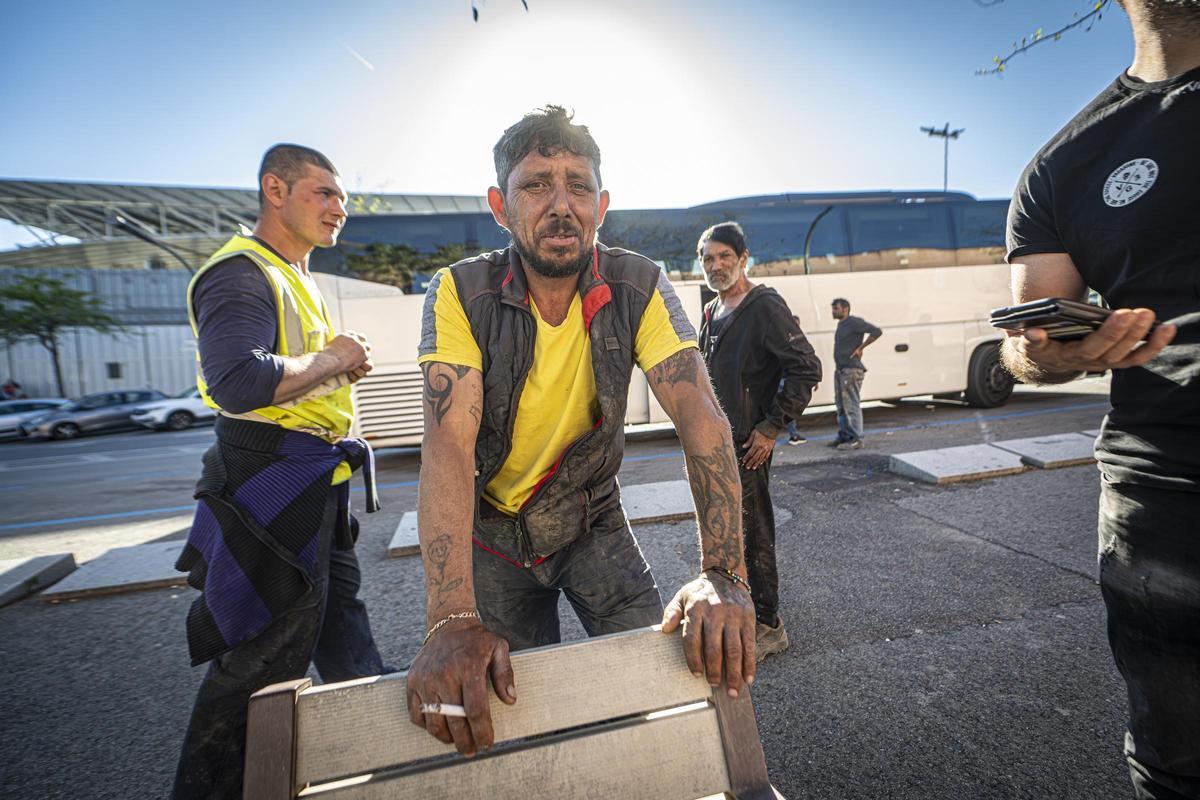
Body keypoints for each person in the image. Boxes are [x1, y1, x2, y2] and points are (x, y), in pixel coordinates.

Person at [407, 106, 756, 758]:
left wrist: (723, 573)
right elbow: (449, 446)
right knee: (511, 716)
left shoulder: (639, 285)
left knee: (664, 688)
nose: (560, 203)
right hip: (494, 540)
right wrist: (450, 617)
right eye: (536, 184)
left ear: (603, 204)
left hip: (594, 521)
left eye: (578, 184)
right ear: (499, 205)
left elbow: (702, 420)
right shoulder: (459, 292)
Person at [1000, 2, 1198, 796]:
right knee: (1176, 764)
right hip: (1161, 500)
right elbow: (1023, 342)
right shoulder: (1063, 163)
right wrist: (1049, 351)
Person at [172, 144, 387, 799]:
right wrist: (335, 358)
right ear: (275, 188)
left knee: (341, 633)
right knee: (263, 657)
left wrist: (334, 373)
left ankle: (381, 758)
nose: (338, 208)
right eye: (323, 192)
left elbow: (296, 374)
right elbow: (238, 381)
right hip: (271, 480)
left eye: (342, 197)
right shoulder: (241, 272)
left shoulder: (296, 274)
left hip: (314, 480)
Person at [697, 222, 822, 659]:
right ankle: (738, 612)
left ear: (744, 257)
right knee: (723, 537)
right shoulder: (712, 311)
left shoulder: (764, 305)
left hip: (749, 447)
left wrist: (771, 428)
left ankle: (769, 624)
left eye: (724, 256)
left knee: (753, 534)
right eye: (708, 259)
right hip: (715, 448)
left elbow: (806, 367)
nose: (716, 265)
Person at [829, 298, 881, 450]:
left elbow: (876, 331)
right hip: (841, 370)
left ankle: (857, 438)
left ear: (845, 309)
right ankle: (844, 435)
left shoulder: (854, 322)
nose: (833, 311)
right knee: (841, 405)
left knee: (851, 405)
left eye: (835, 308)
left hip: (851, 370)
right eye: (832, 308)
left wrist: (861, 347)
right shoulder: (842, 324)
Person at [785, 315, 810, 445]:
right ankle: (793, 435)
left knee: (789, 406)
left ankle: (793, 434)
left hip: (791, 378)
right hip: (786, 378)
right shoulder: (787, 339)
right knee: (789, 406)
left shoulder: (798, 339)